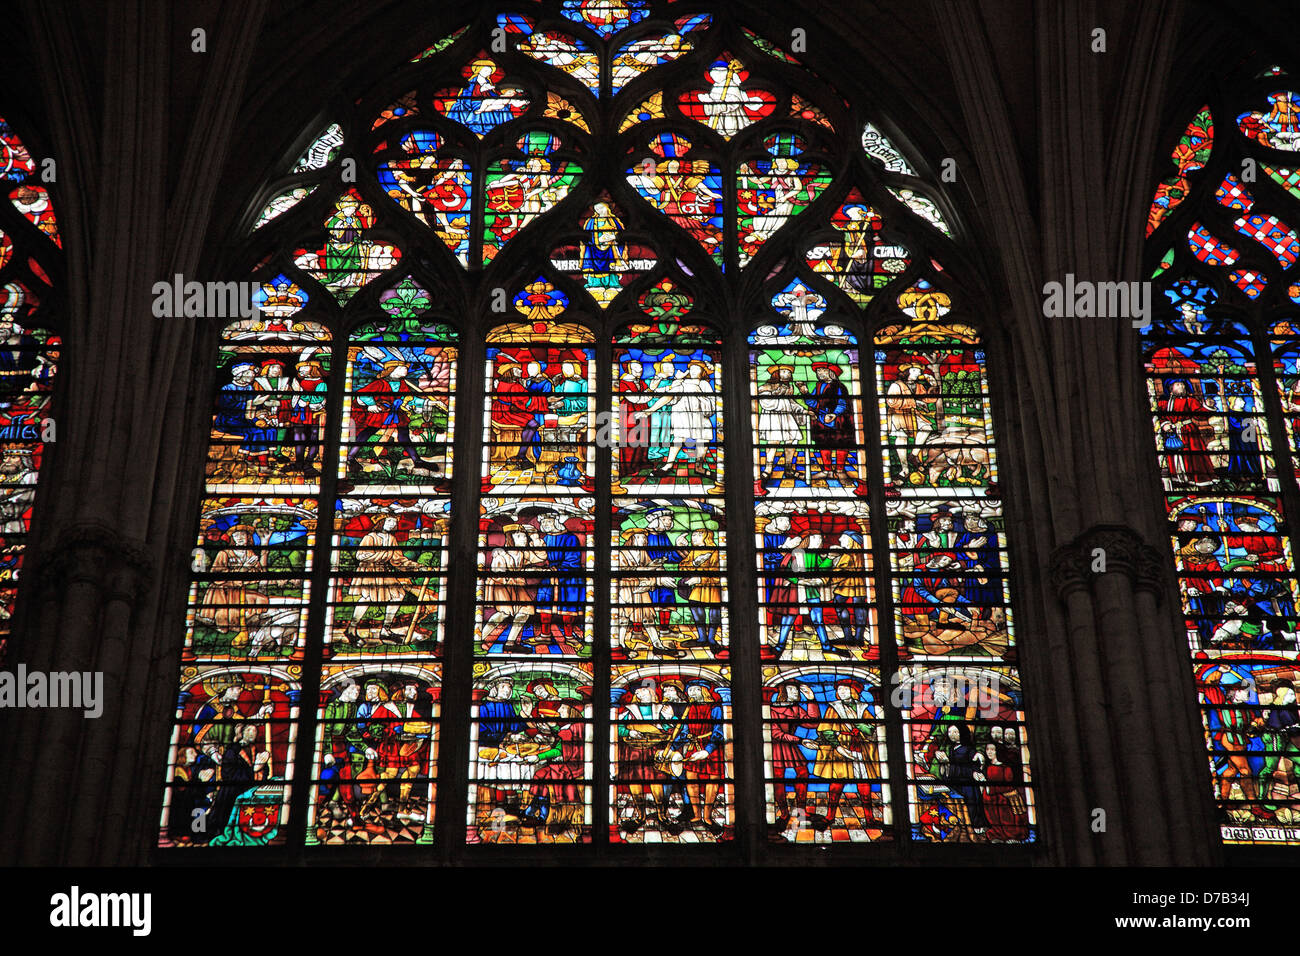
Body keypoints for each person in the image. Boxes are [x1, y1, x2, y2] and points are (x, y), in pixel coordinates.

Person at [345, 512, 426, 643]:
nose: (393, 524)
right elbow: (360, 555)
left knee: (398, 595)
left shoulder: (391, 539)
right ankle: (351, 629)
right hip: (369, 570)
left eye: (395, 522)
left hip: (384, 570)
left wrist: (417, 567)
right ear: (381, 522)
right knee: (367, 598)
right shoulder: (370, 537)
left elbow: (398, 559)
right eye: (390, 521)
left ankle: (385, 630)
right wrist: (381, 555)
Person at [810, 679, 878, 830]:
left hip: (860, 748)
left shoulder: (863, 708)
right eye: (839, 690)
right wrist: (838, 747)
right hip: (840, 748)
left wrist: (858, 723)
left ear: (853, 692)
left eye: (845, 690)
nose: (841, 692)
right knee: (836, 785)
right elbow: (825, 730)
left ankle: (870, 818)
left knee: (864, 785)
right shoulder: (833, 708)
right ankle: (829, 816)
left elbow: (872, 730)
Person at [196, 524, 270, 640]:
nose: (239, 537)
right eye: (236, 535)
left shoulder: (250, 554)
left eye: (242, 534)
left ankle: (250, 623)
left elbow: (258, 573)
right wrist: (244, 569)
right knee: (226, 618)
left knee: (262, 600)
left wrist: (247, 574)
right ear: (233, 538)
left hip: (240, 589)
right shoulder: (224, 553)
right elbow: (217, 575)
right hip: (222, 592)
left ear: (248, 537)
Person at [644, 359, 715, 474]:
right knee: (678, 439)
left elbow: (711, 404)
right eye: (691, 368)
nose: (692, 371)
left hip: (701, 417)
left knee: (704, 438)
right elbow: (670, 396)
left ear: (702, 371)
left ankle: (699, 467)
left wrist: (700, 395)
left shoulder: (705, 384)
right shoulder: (683, 383)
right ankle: (668, 466)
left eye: (696, 369)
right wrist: (651, 409)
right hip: (683, 416)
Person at [675, 681, 726, 835]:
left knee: (713, 780)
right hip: (693, 747)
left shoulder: (715, 708)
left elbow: (719, 731)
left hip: (711, 748)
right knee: (691, 779)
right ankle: (696, 815)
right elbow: (683, 730)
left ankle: (708, 817)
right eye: (689, 691)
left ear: (703, 691)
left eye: (695, 690)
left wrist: (708, 750)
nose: (691, 694)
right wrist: (677, 743)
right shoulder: (689, 709)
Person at [769, 680, 819, 829]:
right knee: (777, 778)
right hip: (777, 748)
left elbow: (813, 722)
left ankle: (801, 810)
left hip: (791, 746)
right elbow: (776, 733)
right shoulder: (770, 710)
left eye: (797, 690)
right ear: (782, 692)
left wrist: (811, 700)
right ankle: (783, 812)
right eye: (791, 689)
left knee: (803, 772)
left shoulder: (796, 709)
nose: (796, 692)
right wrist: (801, 740)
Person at [798, 362, 855, 483]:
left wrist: (834, 414)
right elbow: (814, 403)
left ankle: (840, 470)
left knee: (842, 443)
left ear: (831, 373)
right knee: (823, 443)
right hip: (821, 420)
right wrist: (805, 393)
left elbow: (842, 403)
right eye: (817, 371)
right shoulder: (818, 386)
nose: (819, 373)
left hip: (838, 421)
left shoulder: (839, 386)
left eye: (822, 370)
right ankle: (827, 470)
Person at [755, 365, 809, 494]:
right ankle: (768, 469)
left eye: (789, 372)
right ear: (776, 373)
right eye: (785, 371)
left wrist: (802, 410)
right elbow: (766, 403)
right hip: (773, 418)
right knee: (773, 442)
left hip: (786, 417)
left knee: (791, 441)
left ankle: (789, 468)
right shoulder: (766, 387)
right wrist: (779, 395)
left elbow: (791, 403)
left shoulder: (788, 387)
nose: (789, 374)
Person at [678, 528, 724, 654]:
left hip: (712, 588)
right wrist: (693, 563)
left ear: (707, 537)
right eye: (693, 535)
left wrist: (700, 578)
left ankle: (712, 639)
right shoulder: (694, 552)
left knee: (714, 614)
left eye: (698, 535)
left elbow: (717, 574)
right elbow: (682, 567)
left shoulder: (715, 552)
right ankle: (702, 638)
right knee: (696, 610)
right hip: (698, 589)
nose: (694, 537)